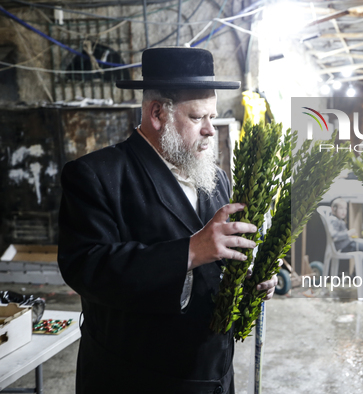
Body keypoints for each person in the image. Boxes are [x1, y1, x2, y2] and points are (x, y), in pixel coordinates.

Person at [58, 48, 278, 394]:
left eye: (213, 117)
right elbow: (88, 268)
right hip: (139, 379)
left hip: (213, 375)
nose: (210, 130)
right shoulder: (96, 176)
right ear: (157, 113)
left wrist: (249, 280)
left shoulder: (216, 179)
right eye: (197, 118)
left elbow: (217, 264)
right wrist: (190, 251)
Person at [328, 198, 363, 279]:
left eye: (345, 208)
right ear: (333, 209)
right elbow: (334, 236)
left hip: (348, 243)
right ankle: (360, 277)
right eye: (341, 208)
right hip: (344, 246)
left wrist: (350, 235)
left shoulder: (339, 219)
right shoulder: (333, 220)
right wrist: (348, 233)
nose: (344, 211)